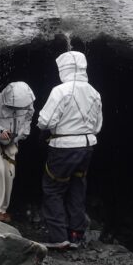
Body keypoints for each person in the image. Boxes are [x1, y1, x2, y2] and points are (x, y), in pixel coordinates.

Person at [37, 51, 103, 249]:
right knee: (77, 186)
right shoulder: (94, 92)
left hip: (64, 147)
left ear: (63, 69)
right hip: (87, 147)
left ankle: (58, 237)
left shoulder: (61, 90)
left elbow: (45, 121)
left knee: (53, 188)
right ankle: (76, 234)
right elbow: (98, 125)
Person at [0, 81, 35, 222]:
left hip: (11, 142)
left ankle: (3, 209)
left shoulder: (27, 104)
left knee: (10, 173)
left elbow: (28, 120)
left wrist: (20, 134)